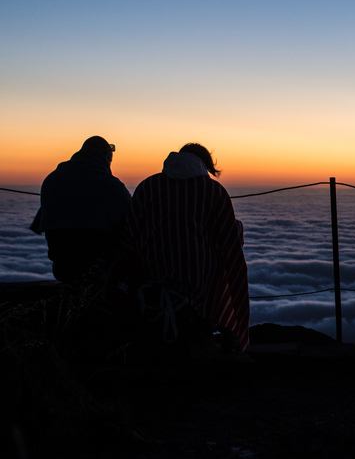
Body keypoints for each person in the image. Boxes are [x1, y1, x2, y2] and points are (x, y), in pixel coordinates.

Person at [124, 143, 250, 351]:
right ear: (204, 165)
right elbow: (229, 244)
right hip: (200, 282)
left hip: (150, 279)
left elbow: (131, 234)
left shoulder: (148, 186)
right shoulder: (213, 191)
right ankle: (218, 337)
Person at [31, 136, 131, 283]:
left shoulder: (53, 179)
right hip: (99, 266)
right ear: (106, 158)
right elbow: (130, 218)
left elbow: (43, 222)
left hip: (62, 265)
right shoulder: (111, 185)